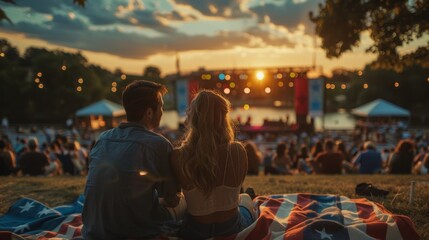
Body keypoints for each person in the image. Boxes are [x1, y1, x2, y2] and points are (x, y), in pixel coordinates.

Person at [82, 80, 183, 240]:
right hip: (134, 233)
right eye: (161, 107)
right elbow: (171, 200)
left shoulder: (103, 138)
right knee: (186, 204)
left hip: (93, 231)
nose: (162, 112)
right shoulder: (158, 144)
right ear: (149, 113)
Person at [171, 90, 255, 239]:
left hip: (195, 231)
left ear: (194, 118)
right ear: (224, 118)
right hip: (231, 228)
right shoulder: (237, 151)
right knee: (246, 200)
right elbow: (237, 188)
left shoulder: (179, 155)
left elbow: (173, 197)